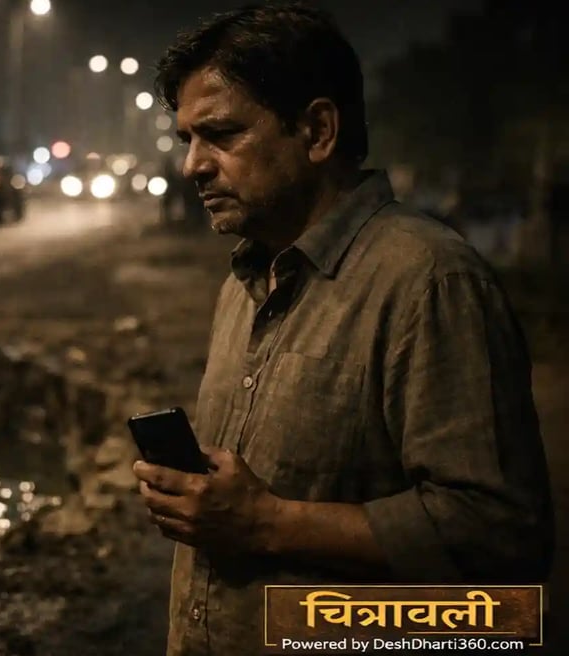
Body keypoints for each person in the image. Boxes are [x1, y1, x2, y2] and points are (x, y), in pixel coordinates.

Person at [131, 3, 554, 655]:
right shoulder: (246, 280)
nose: (193, 165)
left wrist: (269, 523)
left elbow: (501, 539)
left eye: (219, 134)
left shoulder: (427, 280)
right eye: (188, 139)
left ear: (318, 131)